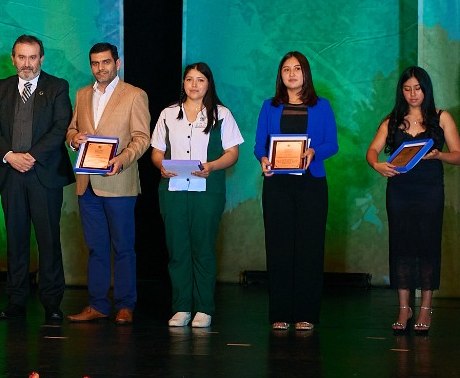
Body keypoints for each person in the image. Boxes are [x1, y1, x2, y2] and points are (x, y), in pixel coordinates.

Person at [365, 67, 460, 335]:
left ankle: (425, 308)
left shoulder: (441, 117)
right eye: (407, 89)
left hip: (430, 191)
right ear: (401, 91)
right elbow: (372, 150)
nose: (412, 94)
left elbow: (458, 155)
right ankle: (403, 307)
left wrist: (439, 156)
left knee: (428, 244)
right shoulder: (392, 120)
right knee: (401, 244)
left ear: (426, 89)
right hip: (399, 191)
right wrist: (377, 165)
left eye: (417, 88)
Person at [0, 33, 74, 323]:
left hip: (44, 175)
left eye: (32, 57)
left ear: (41, 58)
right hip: (11, 175)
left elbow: (61, 128)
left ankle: (51, 302)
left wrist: (30, 156)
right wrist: (10, 155)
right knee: (16, 240)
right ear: (13, 59)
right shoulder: (1, 88)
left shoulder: (57, 87)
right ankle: (16, 300)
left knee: (48, 240)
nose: (27, 63)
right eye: (21, 57)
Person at [151, 62, 242, 328]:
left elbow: (233, 153)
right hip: (174, 190)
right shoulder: (168, 114)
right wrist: (161, 166)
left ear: (208, 84)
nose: (194, 85)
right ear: (183, 83)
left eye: (200, 80)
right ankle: (181, 307)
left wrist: (212, 166)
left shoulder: (222, 115)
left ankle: (204, 308)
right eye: (189, 79)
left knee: (203, 248)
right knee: (178, 249)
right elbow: (157, 151)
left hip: (207, 191)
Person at [66, 42, 151, 324]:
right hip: (87, 183)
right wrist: (72, 138)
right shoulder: (80, 94)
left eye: (105, 62)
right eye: (95, 63)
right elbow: (72, 129)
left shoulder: (135, 95)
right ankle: (98, 304)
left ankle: (125, 305)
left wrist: (123, 159)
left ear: (118, 63)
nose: (100, 68)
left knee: (123, 246)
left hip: (119, 181)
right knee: (96, 247)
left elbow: (142, 138)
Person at [253, 51, 339, 331]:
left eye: (297, 69)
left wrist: (314, 151)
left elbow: (332, 144)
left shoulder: (322, 106)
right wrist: (264, 160)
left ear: (306, 74)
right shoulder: (269, 106)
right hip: (277, 184)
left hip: (311, 184)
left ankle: (306, 314)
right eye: (286, 69)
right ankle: (279, 313)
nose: (291, 74)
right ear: (280, 75)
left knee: (309, 248)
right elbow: (259, 145)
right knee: (278, 247)